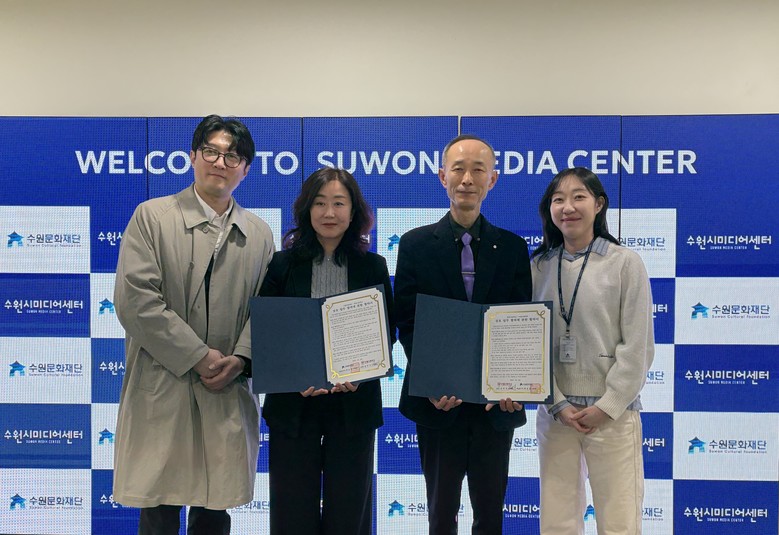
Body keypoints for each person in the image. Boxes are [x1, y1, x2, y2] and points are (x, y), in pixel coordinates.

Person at [112, 115, 275, 535]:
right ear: (192, 156)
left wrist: (241, 358)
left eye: (233, 156)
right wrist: (198, 356)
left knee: (214, 510)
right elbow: (136, 301)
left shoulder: (258, 233)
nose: (220, 162)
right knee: (159, 508)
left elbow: (266, 309)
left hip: (226, 389)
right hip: (162, 385)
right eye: (211, 151)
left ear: (245, 169)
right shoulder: (152, 217)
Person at [395, 134, 532, 534]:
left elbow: (520, 324)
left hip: (495, 406)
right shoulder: (415, 244)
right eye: (458, 169)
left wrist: (512, 384)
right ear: (443, 177)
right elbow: (408, 321)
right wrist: (433, 381)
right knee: (441, 514)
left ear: (493, 179)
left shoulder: (512, 247)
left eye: (478, 170)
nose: (467, 179)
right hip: (438, 403)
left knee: (490, 515)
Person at [259, 167, 395, 535]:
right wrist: (294, 376)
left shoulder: (373, 266)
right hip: (294, 406)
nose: (329, 213)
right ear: (306, 210)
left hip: (353, 406)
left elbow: (386, 333)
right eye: (319, 203)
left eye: (339, 203)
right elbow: (267, 333)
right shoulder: (282, 264)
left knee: (349, 515)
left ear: (354, 211)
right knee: (291, 515)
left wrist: (361, 372)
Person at [531, 167, 654, 535]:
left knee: (619, 523)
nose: (568, 207)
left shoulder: (624, 262)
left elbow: (638, 345)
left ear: (599, 204)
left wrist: (608, 405)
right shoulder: (538, 266)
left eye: (578, 197)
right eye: (558, 199)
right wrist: (556, 402)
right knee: (557, 522)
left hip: (613, 415)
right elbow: (528, 343)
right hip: (556, 414)